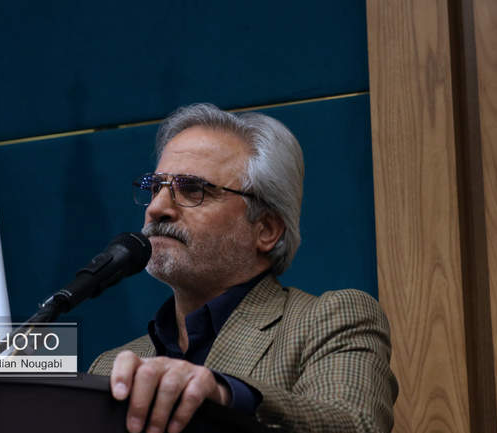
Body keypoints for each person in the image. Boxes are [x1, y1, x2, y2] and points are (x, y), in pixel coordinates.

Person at [88, 103, 398, 433]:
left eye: (193, 189)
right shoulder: (111, 367)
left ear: (266, 229)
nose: (157, 208)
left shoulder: (330, 321)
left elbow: (354, 424)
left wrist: (225, 393)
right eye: (155, 188)